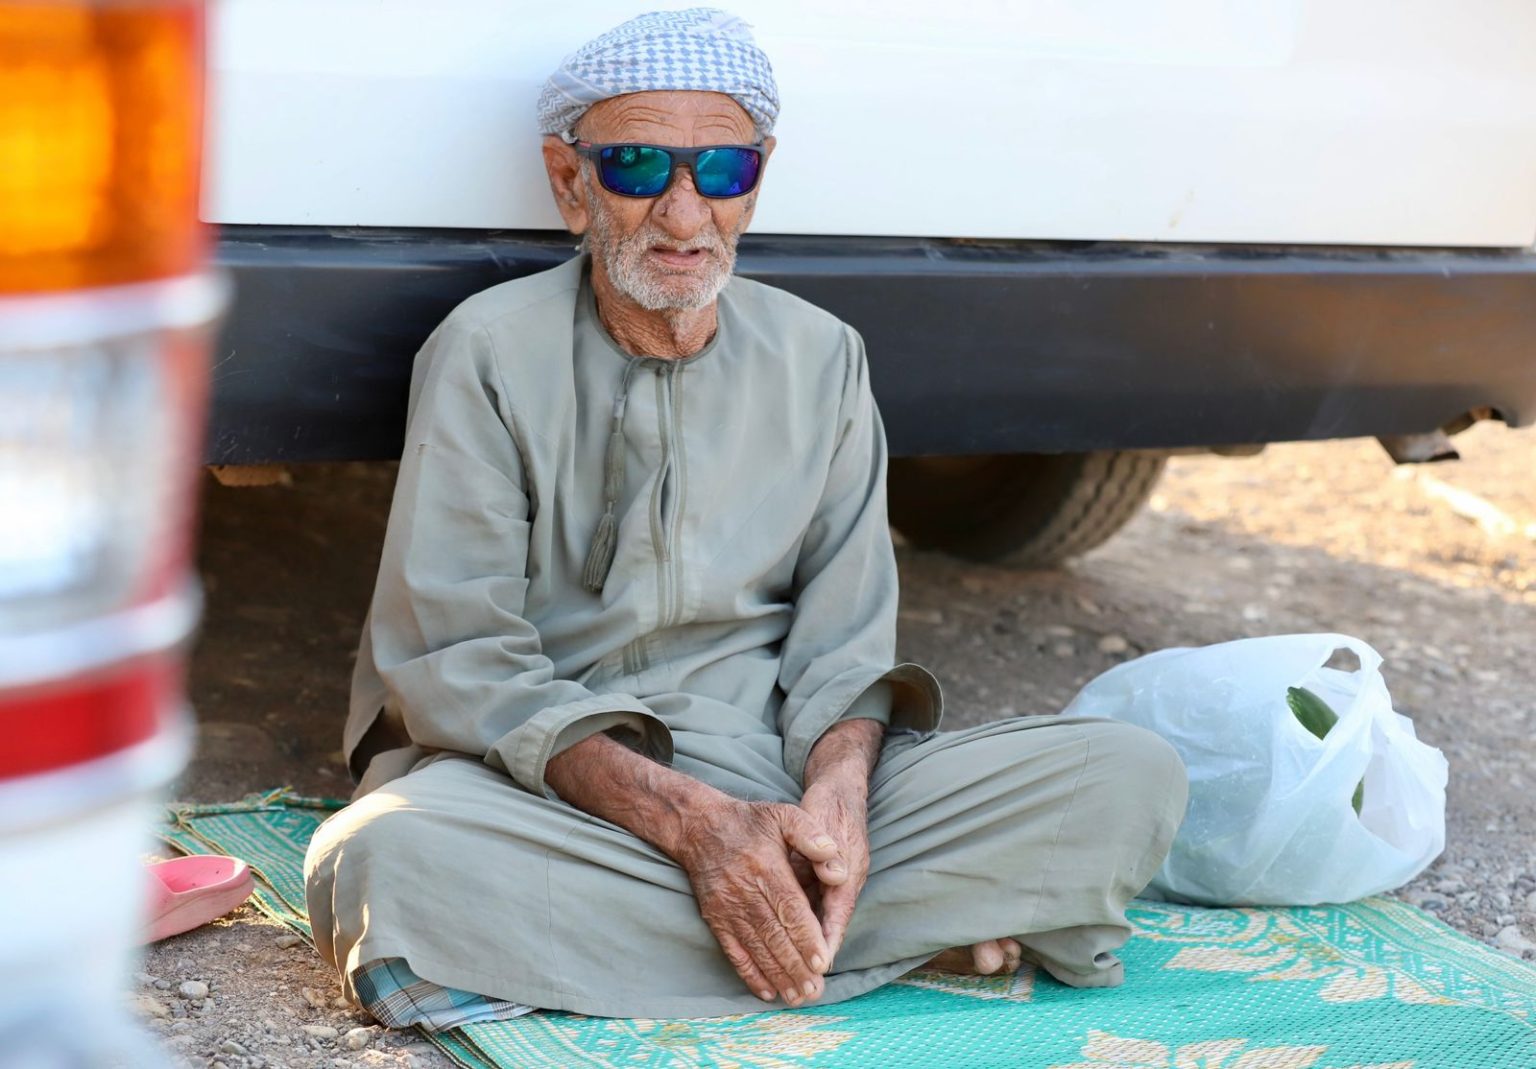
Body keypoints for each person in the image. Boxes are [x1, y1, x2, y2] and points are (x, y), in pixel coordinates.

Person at [303, 7, 1188, 1030]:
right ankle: (886, 934)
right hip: (555, 787)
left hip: (776, 767)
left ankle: (766, 917)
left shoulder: (823, 355)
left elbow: (846, 639)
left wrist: (839, 802)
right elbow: (456, 658)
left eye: (722, 171)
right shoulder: (487, 350)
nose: (684, 215)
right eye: (638, 167)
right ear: (570, 182)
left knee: (1126, 774)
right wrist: (692, 825)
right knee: (383, 855)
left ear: (756, 183)